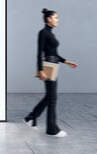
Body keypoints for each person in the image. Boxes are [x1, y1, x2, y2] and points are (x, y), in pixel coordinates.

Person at [23, 8, 78, 137]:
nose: (57, 20)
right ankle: (51, 129)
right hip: (47, 67)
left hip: (53, 66)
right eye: (56, 17)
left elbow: (54, 54)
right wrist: (41, 70)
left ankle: (31, 117)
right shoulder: (43, 33)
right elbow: (39, 53)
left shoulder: (51, 34)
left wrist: (66, 61)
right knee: (52, 98)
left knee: (50, 96)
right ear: (49, 19)